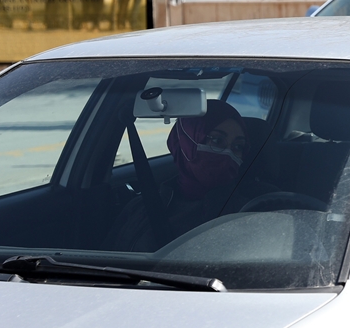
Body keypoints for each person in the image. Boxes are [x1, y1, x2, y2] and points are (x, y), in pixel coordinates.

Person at [106, 98, 256, 251]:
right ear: (186, 144)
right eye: (217, 140)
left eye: (238, 146)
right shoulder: (141, 207)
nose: (228, 153)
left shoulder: (250, 212)